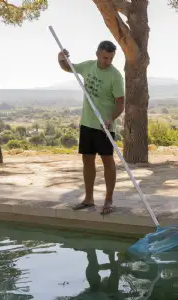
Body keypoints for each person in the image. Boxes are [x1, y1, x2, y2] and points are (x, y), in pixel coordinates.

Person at [58, 41, 125, 215]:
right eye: (105, 57)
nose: (107, 61)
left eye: (110, 58)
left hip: (105, 126)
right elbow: (68, 67)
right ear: (97, 54)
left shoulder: (115, 76)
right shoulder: (88, 66)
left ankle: (108, 200)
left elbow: (120, 103)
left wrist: (111, 118)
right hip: (87, 123)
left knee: (107, 161)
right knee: (87, 160)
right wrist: (61, 59)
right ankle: (88, 199)